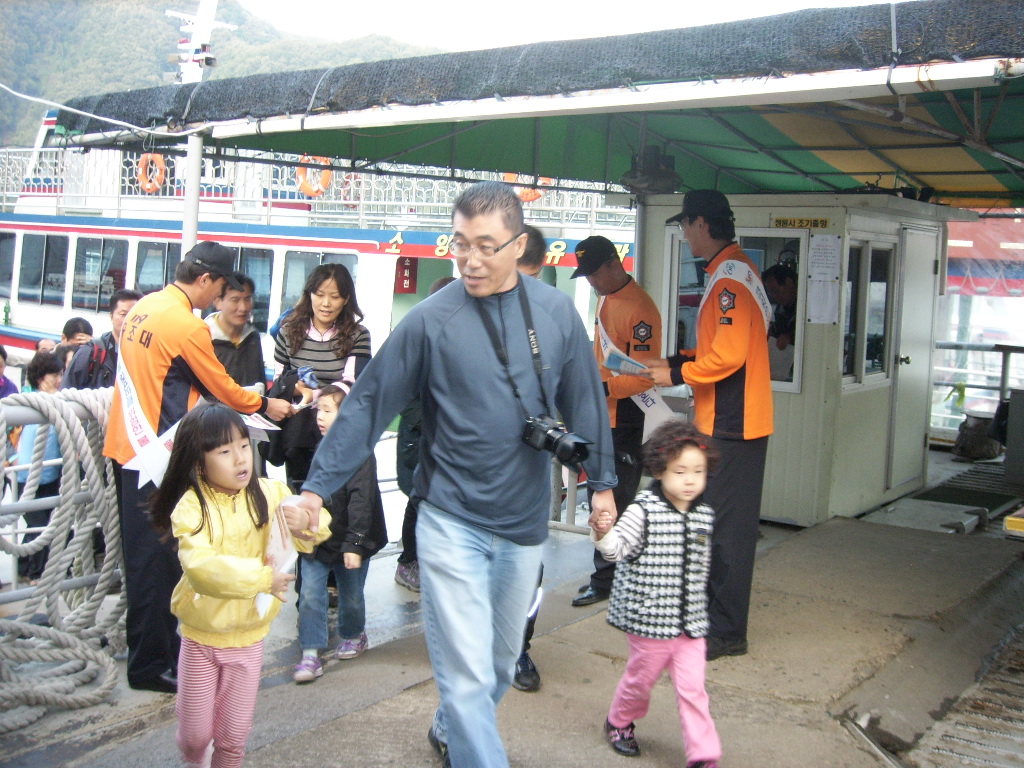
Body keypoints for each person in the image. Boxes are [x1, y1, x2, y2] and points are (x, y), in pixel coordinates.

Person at [292, 181, 618, 768]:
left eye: (486, 246)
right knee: (466, 673)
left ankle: (448, 727)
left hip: (522, 524)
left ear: (518, 246)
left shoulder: (556, 312)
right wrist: (316, 488)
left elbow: (585, 399)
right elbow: (368, 403)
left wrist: (603, 485)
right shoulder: (430, 320)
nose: (470, 259)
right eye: (460, 244)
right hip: (449, 519)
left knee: (497, 665)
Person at [102, 240, 294, 694]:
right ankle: (151, 665)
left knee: (143, 561)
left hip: (126, 447)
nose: (219, 298)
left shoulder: (146, 306)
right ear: (205, 279)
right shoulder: (186, 326)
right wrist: (266, 405)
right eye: (220, 288)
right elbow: (221, 387)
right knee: (160, 563)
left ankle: (155, 655)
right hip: (156, 459)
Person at [147, 403, 330, 768]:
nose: (240, 458)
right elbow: (201, 567)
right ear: (198, 462)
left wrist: (305, 521)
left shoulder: (270, 492)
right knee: (195, 737)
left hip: (249, 639)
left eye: (244, 445)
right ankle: (194, 759)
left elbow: (319, 523)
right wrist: (262, 579)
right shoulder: (192, 506)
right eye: (224, 451)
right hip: (201, 638)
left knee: (233, 738)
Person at [648, 189, 773, 661]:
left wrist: (678, 373)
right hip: (727, 419)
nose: (684, 234)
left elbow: (729, 356)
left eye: (685, 224)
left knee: (728, 532)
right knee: (713, 523)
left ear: (701, 223)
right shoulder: (732, 269)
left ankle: (727, 631)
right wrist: (677, 360)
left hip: (734, 422)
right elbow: (721, 346)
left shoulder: (729, 280)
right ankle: (711, 620)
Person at [590, 419, 721, 767]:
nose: (690, 480)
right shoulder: (643, 510)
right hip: (648, 621)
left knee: (694, 689)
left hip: (690, 625)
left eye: (698, 471)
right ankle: (619, 721)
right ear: (660, 471)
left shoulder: (704, 515)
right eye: (680, 471)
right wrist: (602, 531)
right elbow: (616, 550)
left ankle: (704, 753)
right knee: (640, 681)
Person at [570, 235, 662, 608]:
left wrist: (603, 387)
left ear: (613, 263)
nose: (591, 281)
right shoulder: (605, 297)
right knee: (599, 496)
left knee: (616, 500)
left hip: (625, 417)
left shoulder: (640, 309)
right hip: (600, 413)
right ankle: (608, 576)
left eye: (594, 273)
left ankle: (609, 581)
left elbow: (644, 376)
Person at [294, 381, 387, 683]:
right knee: (310, 593)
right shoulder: (319, 446)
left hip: (351, 537)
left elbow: (363, 500)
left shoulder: (360, 453)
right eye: (318, 410)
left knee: (351, 595)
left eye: (327, 410)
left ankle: (353, 634)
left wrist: (355, 543)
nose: (319, 416)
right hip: (318, 538)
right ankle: (310, 651)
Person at [272, 263, 371, 491]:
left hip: (337, 432)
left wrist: (312, 394)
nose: (326, 303)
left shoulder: (358, 335)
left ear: (346, 299)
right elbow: (279, 381)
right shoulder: (288, 331)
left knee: (334, 497)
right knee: (298, 491)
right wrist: (294, 388)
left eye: (334, 297)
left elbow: (352, 384)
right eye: (319, 295)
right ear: (309, 295)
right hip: (297, 435)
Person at [393, 276, 457, 594]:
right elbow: (404, 394)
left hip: (449, 438)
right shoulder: (414, 336)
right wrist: (432, 423)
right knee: (418, 499)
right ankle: (408, 562)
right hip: (420, 437)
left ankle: (436, 562)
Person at [510, 224, 550, 693]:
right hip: (469, 472)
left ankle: (519, 649)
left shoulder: (551, 320)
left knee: (527, 570)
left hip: (527, 470)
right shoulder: (459, 312)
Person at [15, 352, 64, 583]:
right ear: (41, 378)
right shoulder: (29, 401)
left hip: (51, 475)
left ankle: (24, 568)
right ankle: (35, 574)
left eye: (61, 374)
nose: (59, 379)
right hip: (27, 477)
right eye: (55, 375)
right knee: (38, 527)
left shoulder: (60, 402)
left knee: (44, 526)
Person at [62, 289, 143, 390]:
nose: (129, 320)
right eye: (123, 314)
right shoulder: (90, 352)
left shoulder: (147, 354)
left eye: (135, 315)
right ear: (111, 316)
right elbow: (66, 392)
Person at [207, 273, 267, 392]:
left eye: (247, 299)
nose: (243, 308)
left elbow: (260, 381)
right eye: (235, 300)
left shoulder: (252, 337)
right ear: (218, 302)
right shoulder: (204, 338)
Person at [762, 262, 799, 381]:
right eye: (771, 293)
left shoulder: (806, 307)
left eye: (776, 291)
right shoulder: (781, 309)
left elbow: (812, 334)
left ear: (789, 283)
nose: (774, 296)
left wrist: (790, 337)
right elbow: (777, 331)